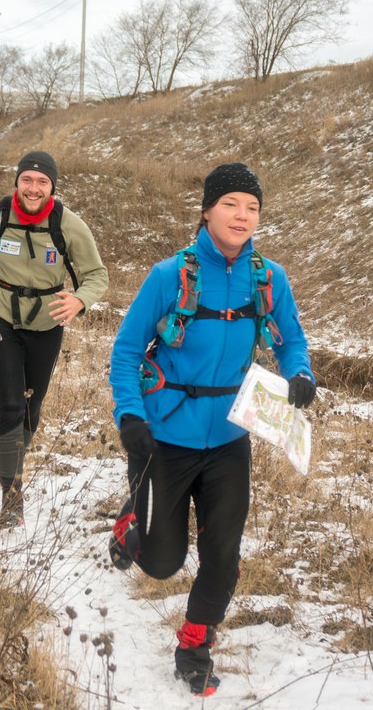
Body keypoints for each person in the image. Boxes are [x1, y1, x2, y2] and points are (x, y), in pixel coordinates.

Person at [107, 163, 316, 697]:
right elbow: (127, 352)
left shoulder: (269, 278)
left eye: (252, 207)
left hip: (229, 438)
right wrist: (130, 416)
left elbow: (291, 340)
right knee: (160, 562)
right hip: (164, 437)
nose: (243, 215)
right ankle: (130, 524)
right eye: (231, 204)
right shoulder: (168, 275)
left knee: (223, 552)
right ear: (207, 210)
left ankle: (195, 642)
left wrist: (300, 374)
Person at [0, 151, 108, 528]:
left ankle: (7, 466)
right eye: (28, 180)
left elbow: (96, 276)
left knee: (31, 407)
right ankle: (11, 495)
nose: (34, 188)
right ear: (17, 182)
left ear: (52, 186)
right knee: (10, 402)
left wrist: (79, 300)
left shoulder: (69, 225)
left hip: (47, 322)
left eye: (42, 182)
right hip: (0, 318)